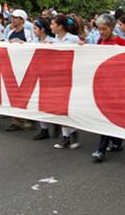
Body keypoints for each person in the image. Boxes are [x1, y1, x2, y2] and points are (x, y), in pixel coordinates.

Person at [91, 13, 125, 162]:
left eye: (104, 29)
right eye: (99, 29)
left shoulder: (121, 42)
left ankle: (101, 150)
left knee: (106, 117)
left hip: (116, 87)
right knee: (107, 117)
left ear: (112, 28)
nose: (101, 32)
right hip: (103, 85)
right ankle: (117, 142)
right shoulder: (100, 41)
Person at [51, 14, 82, 149]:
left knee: (69, 108)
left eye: (53, 24)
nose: (51, 27)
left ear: (60, 26)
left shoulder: (74, 39)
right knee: (60, 109)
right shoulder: (53, 41)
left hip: (72, 78)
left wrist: (83, 46)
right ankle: (66, 137)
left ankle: (73, 135)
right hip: (58, 79)